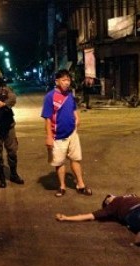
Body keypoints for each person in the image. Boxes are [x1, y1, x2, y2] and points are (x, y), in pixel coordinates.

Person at [41, 69, 92, 197]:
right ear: (57, 81)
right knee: (59, 162)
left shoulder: (69, 94)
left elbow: (74, 108)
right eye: (64, 80)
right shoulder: (50, 97)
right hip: (58, 136)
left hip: (72, 134)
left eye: (68, 80)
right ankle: (62, 186)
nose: (67, 83)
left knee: (75, 159)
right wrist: (48, 137)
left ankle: (81, 184)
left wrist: (77, 117)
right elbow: (47, 118)